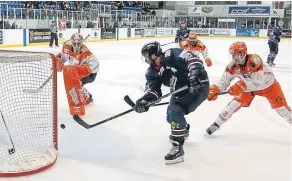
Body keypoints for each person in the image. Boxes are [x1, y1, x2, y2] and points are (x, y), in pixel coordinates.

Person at [134, 41, 209, 165]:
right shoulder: (152, 72)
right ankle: (183, 130)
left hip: (197, 86)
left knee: (175, 111)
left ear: (153, 56)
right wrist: (144, 101)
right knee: (170, 117)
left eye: (146, 57)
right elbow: (154, 91)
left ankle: (178, 149)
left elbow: (194, 60)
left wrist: (194, 75)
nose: (146, 60)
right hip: (179, 91)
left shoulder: (172, 54)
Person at [206, 41, 291, 136]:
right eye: (232, 55)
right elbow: (224, 81)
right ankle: (216, 124)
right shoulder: (232, 66)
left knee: (283, 109)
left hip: (269, 86)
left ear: (242, 53)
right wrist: (215, 89)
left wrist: (240, 86)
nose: (233, 58)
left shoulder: (255, 60)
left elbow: (259, 81)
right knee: (233, 105)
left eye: (235, 55)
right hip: (248, 89)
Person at [54, 33, 99, 116]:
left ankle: (84, 100)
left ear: (82, 43)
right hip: (76, 70)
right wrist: (58, 62)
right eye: (75, 43)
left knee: (77, 84)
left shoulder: (86, 52)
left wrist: (84, 69)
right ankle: (88, 97)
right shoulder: (66, 46)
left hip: (90, 74)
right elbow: (63, 56)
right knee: (75, 84)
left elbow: (95, 64)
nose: (76, 45)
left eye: (79, 43)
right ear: (71, 42)